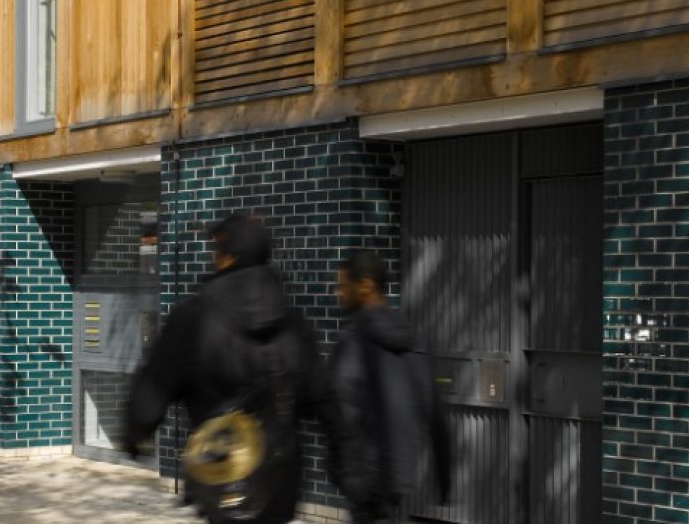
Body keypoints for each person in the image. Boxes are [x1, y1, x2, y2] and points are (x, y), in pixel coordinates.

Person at [125, 214, 342, 524]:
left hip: (220, 476)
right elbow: (323, 398)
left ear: (230, 258)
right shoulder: (294, 324)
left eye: (217, 251)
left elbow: (153, 388)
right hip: (279, 484)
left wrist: (136, 432)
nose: (213, 258)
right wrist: (346, 458)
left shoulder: (193, 318)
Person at [331, 250, 451, 523]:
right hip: (399, 472)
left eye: (343, 284)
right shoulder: (415, 339)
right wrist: (444, 477)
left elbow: (341, 404)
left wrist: (341, 468)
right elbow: (435, 413)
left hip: (364, 472)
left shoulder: (353, 338)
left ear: (365, 285)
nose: (338, 293)